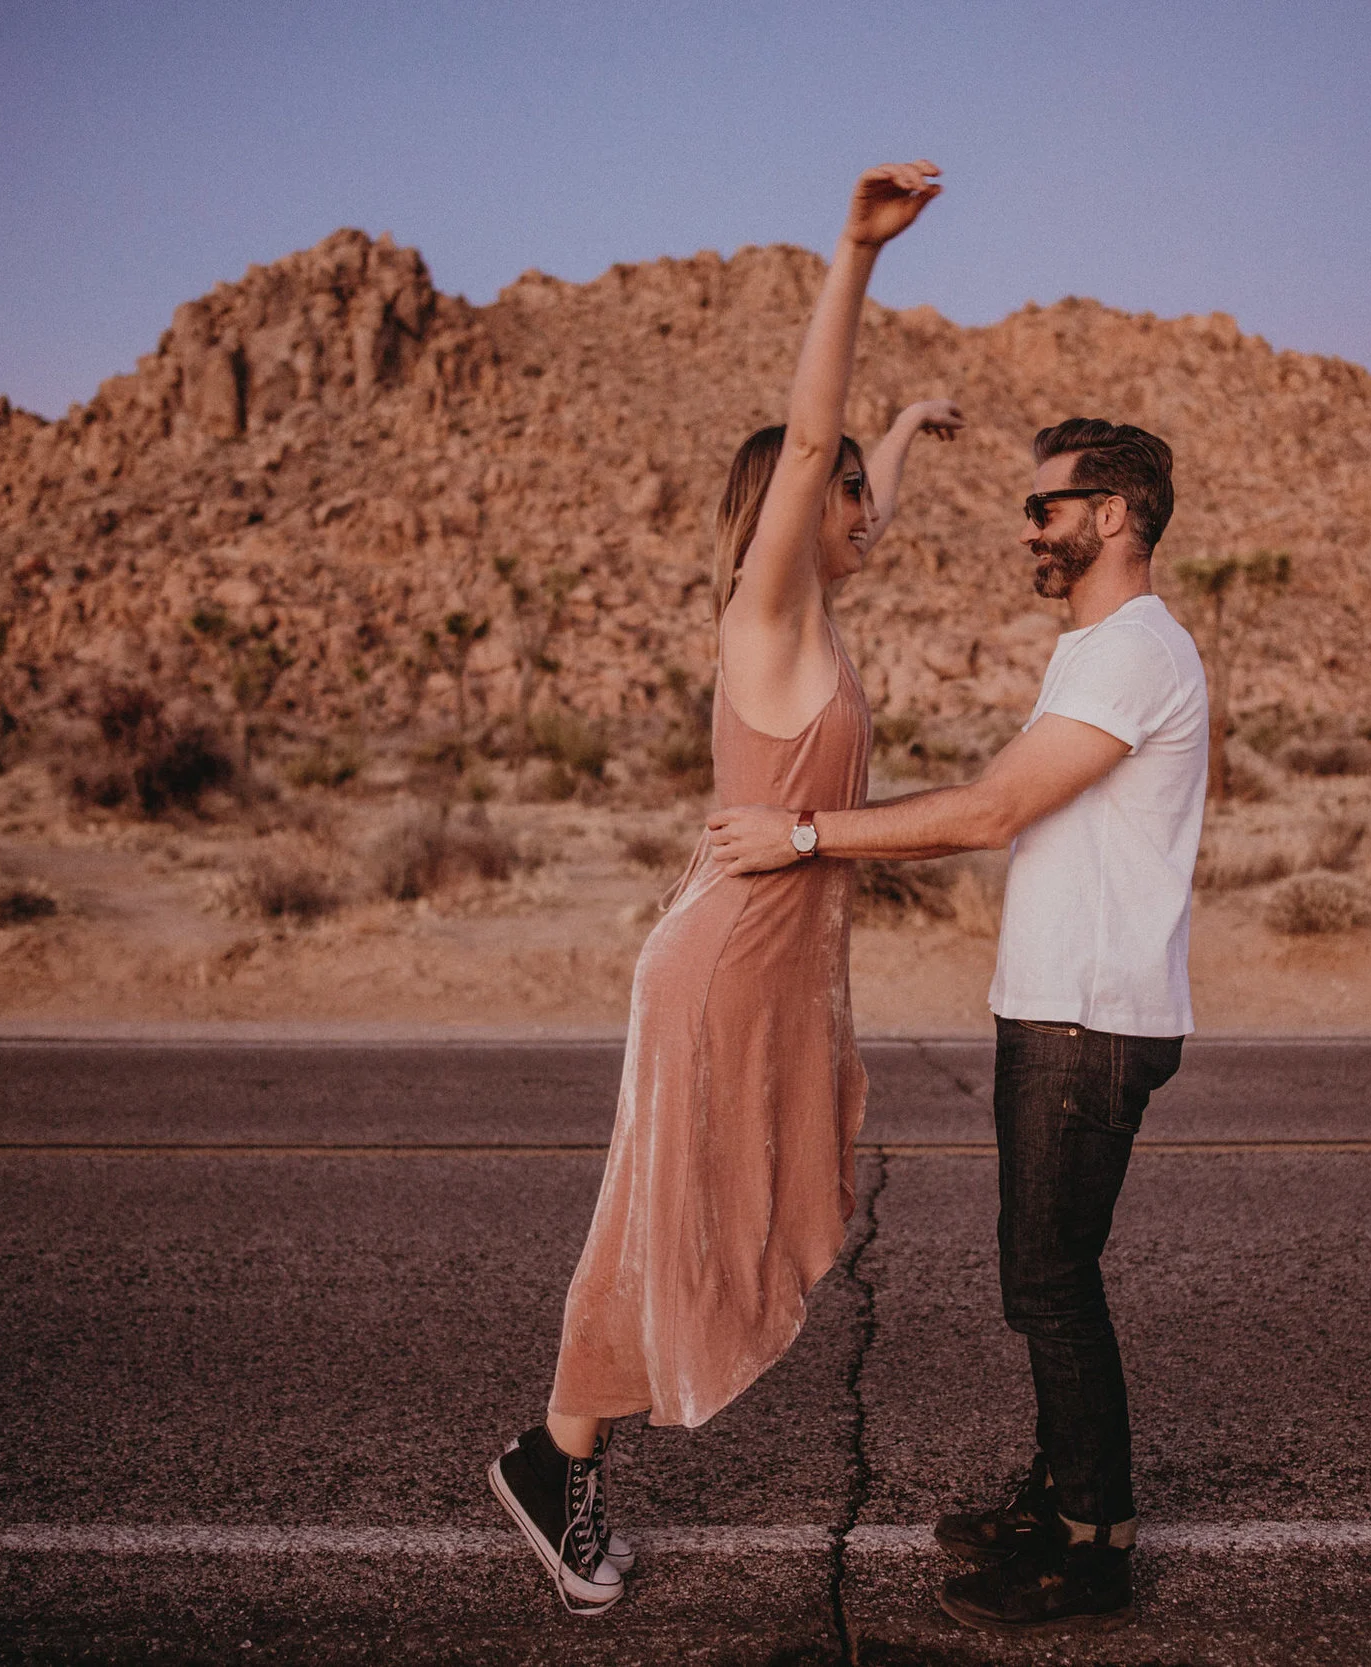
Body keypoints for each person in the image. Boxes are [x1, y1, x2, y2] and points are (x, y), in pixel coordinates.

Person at [487, 161, 959, 1616]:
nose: (870, 512)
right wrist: (853, 255)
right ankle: (548, 1457)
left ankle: (559, 1451)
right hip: (716, 967)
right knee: (651, 1220)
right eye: (852, 494)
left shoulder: (817, 623)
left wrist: (910, 431)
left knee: (683, 1218)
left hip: (767, 972)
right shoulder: (765, 617)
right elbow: (812, 438)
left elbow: (846, 470)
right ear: (794, 504)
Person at [706, 417, 1207, 1635]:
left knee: (1050, 1283)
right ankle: (1057, 1494)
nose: (1028, 528)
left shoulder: (1132, 651)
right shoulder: (1098, 646)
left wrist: (805, 833)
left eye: (1048, 507)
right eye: (1029, 507)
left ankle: (1092, 1544)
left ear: (1116, 513)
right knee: (1040, 1277)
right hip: (1058, 1006)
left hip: (1089, 1017)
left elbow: (989, 812)